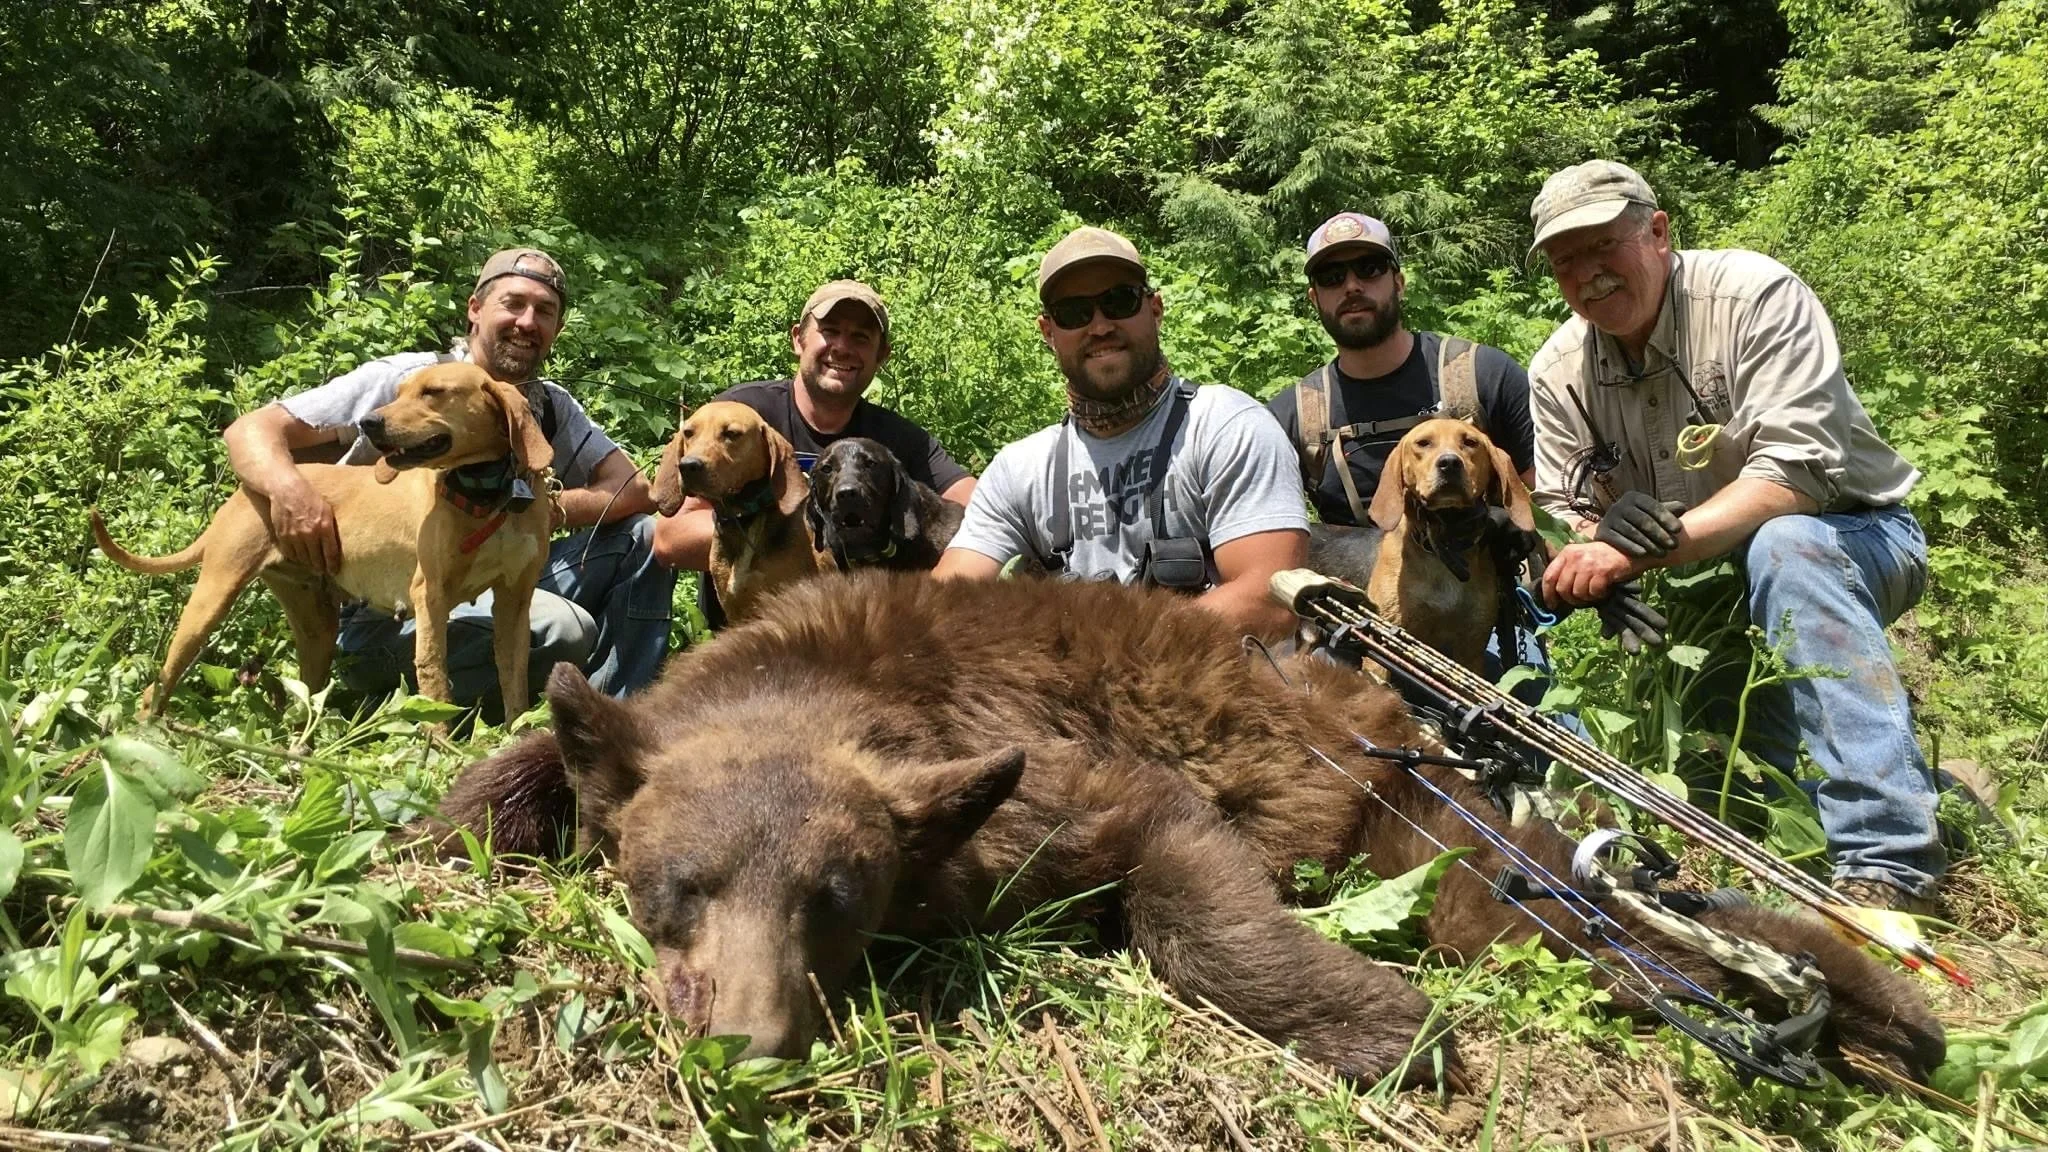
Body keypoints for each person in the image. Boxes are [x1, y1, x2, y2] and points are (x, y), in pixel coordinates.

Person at [1525, 160, 1943, 913]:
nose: (1587, 275)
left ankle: (1890, 861)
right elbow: (1559, 508)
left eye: (1602, 248)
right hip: (1701, 580)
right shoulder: (1558, 370)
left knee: (1786, 545)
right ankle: (1909, 783)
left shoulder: (1754, 296)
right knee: (1703, 697)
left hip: (1855, 536)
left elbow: (1794, 480)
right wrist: (1594, 556)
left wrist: (1633, 550)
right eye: (1565, 261)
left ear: (1657, 233)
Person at [223, 248, 674, 712]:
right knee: (562, 630)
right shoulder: (407, 381)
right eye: (513, 303)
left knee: (642, 538)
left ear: (556, 330)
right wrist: (292, 495)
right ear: (475, 310)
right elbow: (251, 430)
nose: (527, 321)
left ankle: (625, 715)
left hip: (490, 570)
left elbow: (633, 489)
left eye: (545, 311)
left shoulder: (548, 405)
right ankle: (403, 699)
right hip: (390, 607)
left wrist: (538, 509)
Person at [933, 227, 1308, 639]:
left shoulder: (1227, 426)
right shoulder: (1019, 471)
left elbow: (1269, 602)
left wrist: (1105, 651)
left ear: (1155, 310)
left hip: (1224, 691)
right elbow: (942, 601)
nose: (1099, 326)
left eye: (1119, 301)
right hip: (1080, 697)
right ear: (1048, 333)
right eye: (1074, 312)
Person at [651, 280, 975, 626]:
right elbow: (671, 538)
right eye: (829, 331)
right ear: (798, 339)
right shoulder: (741, 416)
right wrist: (797, 535)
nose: (842, 347)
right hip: (744, 644)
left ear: (882, 355)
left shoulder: (896, 439)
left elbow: (978, 506)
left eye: (861, 338)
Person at [1266, 211, 1536, 525]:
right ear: (1314, 299)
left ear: (1398, 283)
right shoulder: (1292, 418)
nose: (1352, 286)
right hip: (1349, 572)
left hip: (1488, 568)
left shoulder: (1485, 375)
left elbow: (1547, 501)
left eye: (1369, 269)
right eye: (1331, 277)